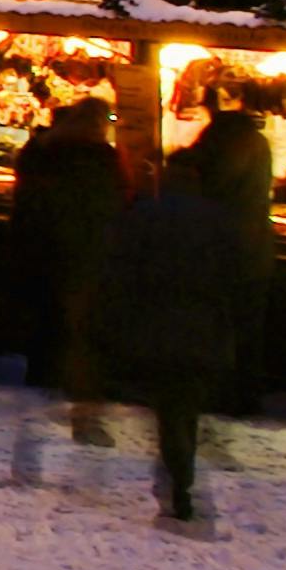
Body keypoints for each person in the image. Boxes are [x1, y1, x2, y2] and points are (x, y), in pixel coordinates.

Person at [101, 147, 239, 532]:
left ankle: (178, 478)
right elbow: (237, 274)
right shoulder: (219, 220)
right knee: (188, 404)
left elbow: (121, 269)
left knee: (169, 408)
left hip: (157, 326)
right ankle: (184, 473)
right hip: (203, 326)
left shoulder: (146, 215)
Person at [5, 98, 126, 470]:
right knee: (82, 335)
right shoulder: (99, 159)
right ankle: (83, 418)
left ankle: (38, 393)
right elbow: (112, 205)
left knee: (46, 327)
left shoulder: (42, 150)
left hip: (39, 252)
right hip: (82, 256)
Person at [191, 95, 277, 415]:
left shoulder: (230, 145)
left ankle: (229, 392)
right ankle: (243, 391)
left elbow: (216, 181)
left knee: (224, 324)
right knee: (247, 326)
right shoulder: (256, 142)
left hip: (226, 248)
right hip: (253, 248)